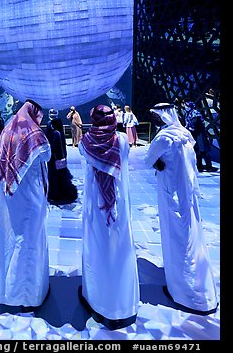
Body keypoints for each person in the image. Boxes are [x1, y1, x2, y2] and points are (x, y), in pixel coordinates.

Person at [144, 103, 218, 314]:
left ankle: (185, 293)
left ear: (163, 117)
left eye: (156, 116)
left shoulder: (163, 138)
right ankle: (201, 289)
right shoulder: (184, 133)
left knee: (177, 238)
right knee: (192, 235)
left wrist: (157, 162)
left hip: (172, 195)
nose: (155, 120)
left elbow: (148, 160)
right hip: (188, 195)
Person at [0, 100, 51, 311]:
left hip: (8, 192)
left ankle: (4, 290)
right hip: (30, 192)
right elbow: (47, 155)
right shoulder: (35, 135)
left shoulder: (6, 131)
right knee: (28, 239)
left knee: (10, 236)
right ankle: (25, 295)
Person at [78, 104, 140, 330]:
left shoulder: (85, 142)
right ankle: (121, 304)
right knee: (119, 249)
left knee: (98, 248)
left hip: (97, 206)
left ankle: (99, 300)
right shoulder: (122, 140)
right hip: (118, 205)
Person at [45, 109, 78, 205]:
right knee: (59, 175)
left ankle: (56, 193)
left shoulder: (52, 130)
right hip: (58, 157)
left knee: (55, 176)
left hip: (54, 158)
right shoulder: (58, 129)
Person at [183, 101, 218, 172]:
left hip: (200, 135)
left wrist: (189, 129)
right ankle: (199, 166)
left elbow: (194, 124)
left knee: (203, 151)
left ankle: (208, 166)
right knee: (197, 151)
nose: (185, 107)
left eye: (186, 106)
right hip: (194, 135)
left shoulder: (195, 114)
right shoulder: (188, 114)